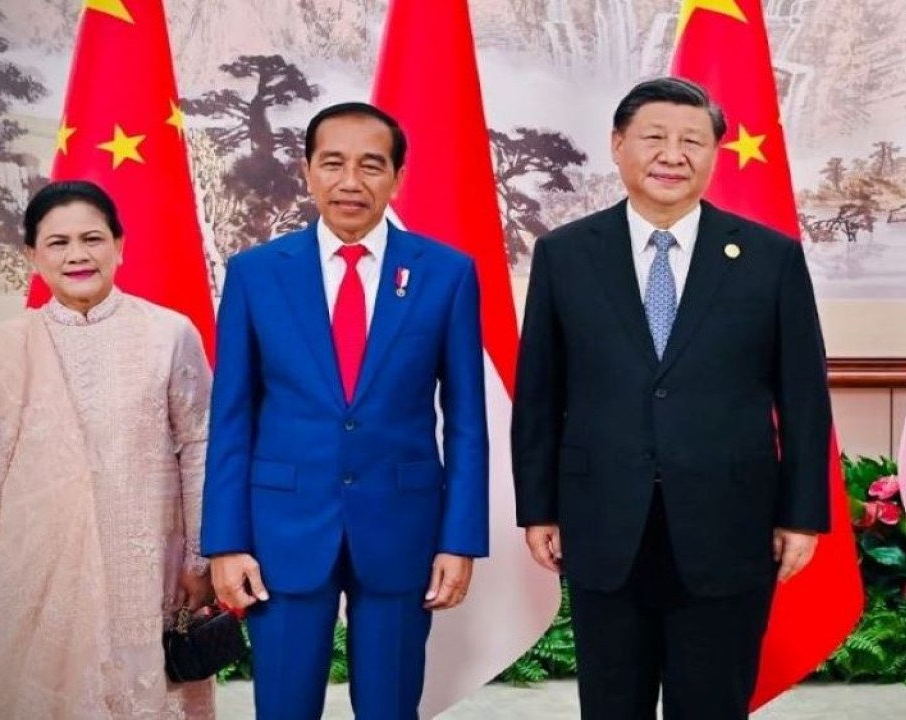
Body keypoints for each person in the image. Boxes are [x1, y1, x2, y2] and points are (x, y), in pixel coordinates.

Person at [511, 77, 833, 719]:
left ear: (715, 153)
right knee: (612, 703)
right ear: (618, 146)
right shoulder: (566, 255)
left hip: (729, 522)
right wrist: (539, 507)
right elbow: (541, 393)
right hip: (603, 518)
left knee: (712, 704)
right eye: (654, 137)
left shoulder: (769, 258)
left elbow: (802, 396)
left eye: (693, 140)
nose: (673, 154)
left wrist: (802, 514)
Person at [201, 102, 488, 720]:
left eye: (371, 165)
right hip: (282, 528)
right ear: (307, 171)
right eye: (332, 163)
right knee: (283, 706)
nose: (350, 181)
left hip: (402, 526)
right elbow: (230, 420)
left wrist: (459, 539)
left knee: (390, 707)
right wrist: (225, 543)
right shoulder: (255, 275)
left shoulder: (446, 274)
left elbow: (466, 422)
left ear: (397, 177)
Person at [0, 180, 214, 718]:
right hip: (31, 569)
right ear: (32, 255)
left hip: (143, 567)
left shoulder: (168, 333)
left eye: (92, 238)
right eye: (58, 242)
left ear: (120, 246)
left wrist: (199, 558)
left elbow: (198, 447)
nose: (77, 254)